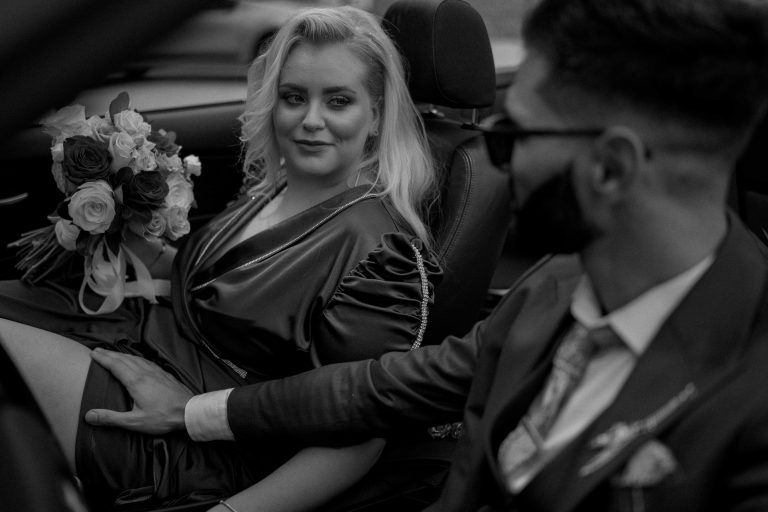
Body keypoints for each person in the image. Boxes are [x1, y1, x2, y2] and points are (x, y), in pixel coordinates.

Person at [85, 0, 768, 510]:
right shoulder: (553, 290)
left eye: (513, 135)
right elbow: (371, 390)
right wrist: (196, 414)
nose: (497, 161)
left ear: (611, 168)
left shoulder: (750, 412)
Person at [0, 6, 443, 512]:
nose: (310, 120)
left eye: (338, 101)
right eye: (294, 97)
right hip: (141, 339)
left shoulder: (381, 252)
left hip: (202, 443)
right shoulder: (273, 186)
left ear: (376, 116)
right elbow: (215, 284)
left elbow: (358, 435)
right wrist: (120, 226)